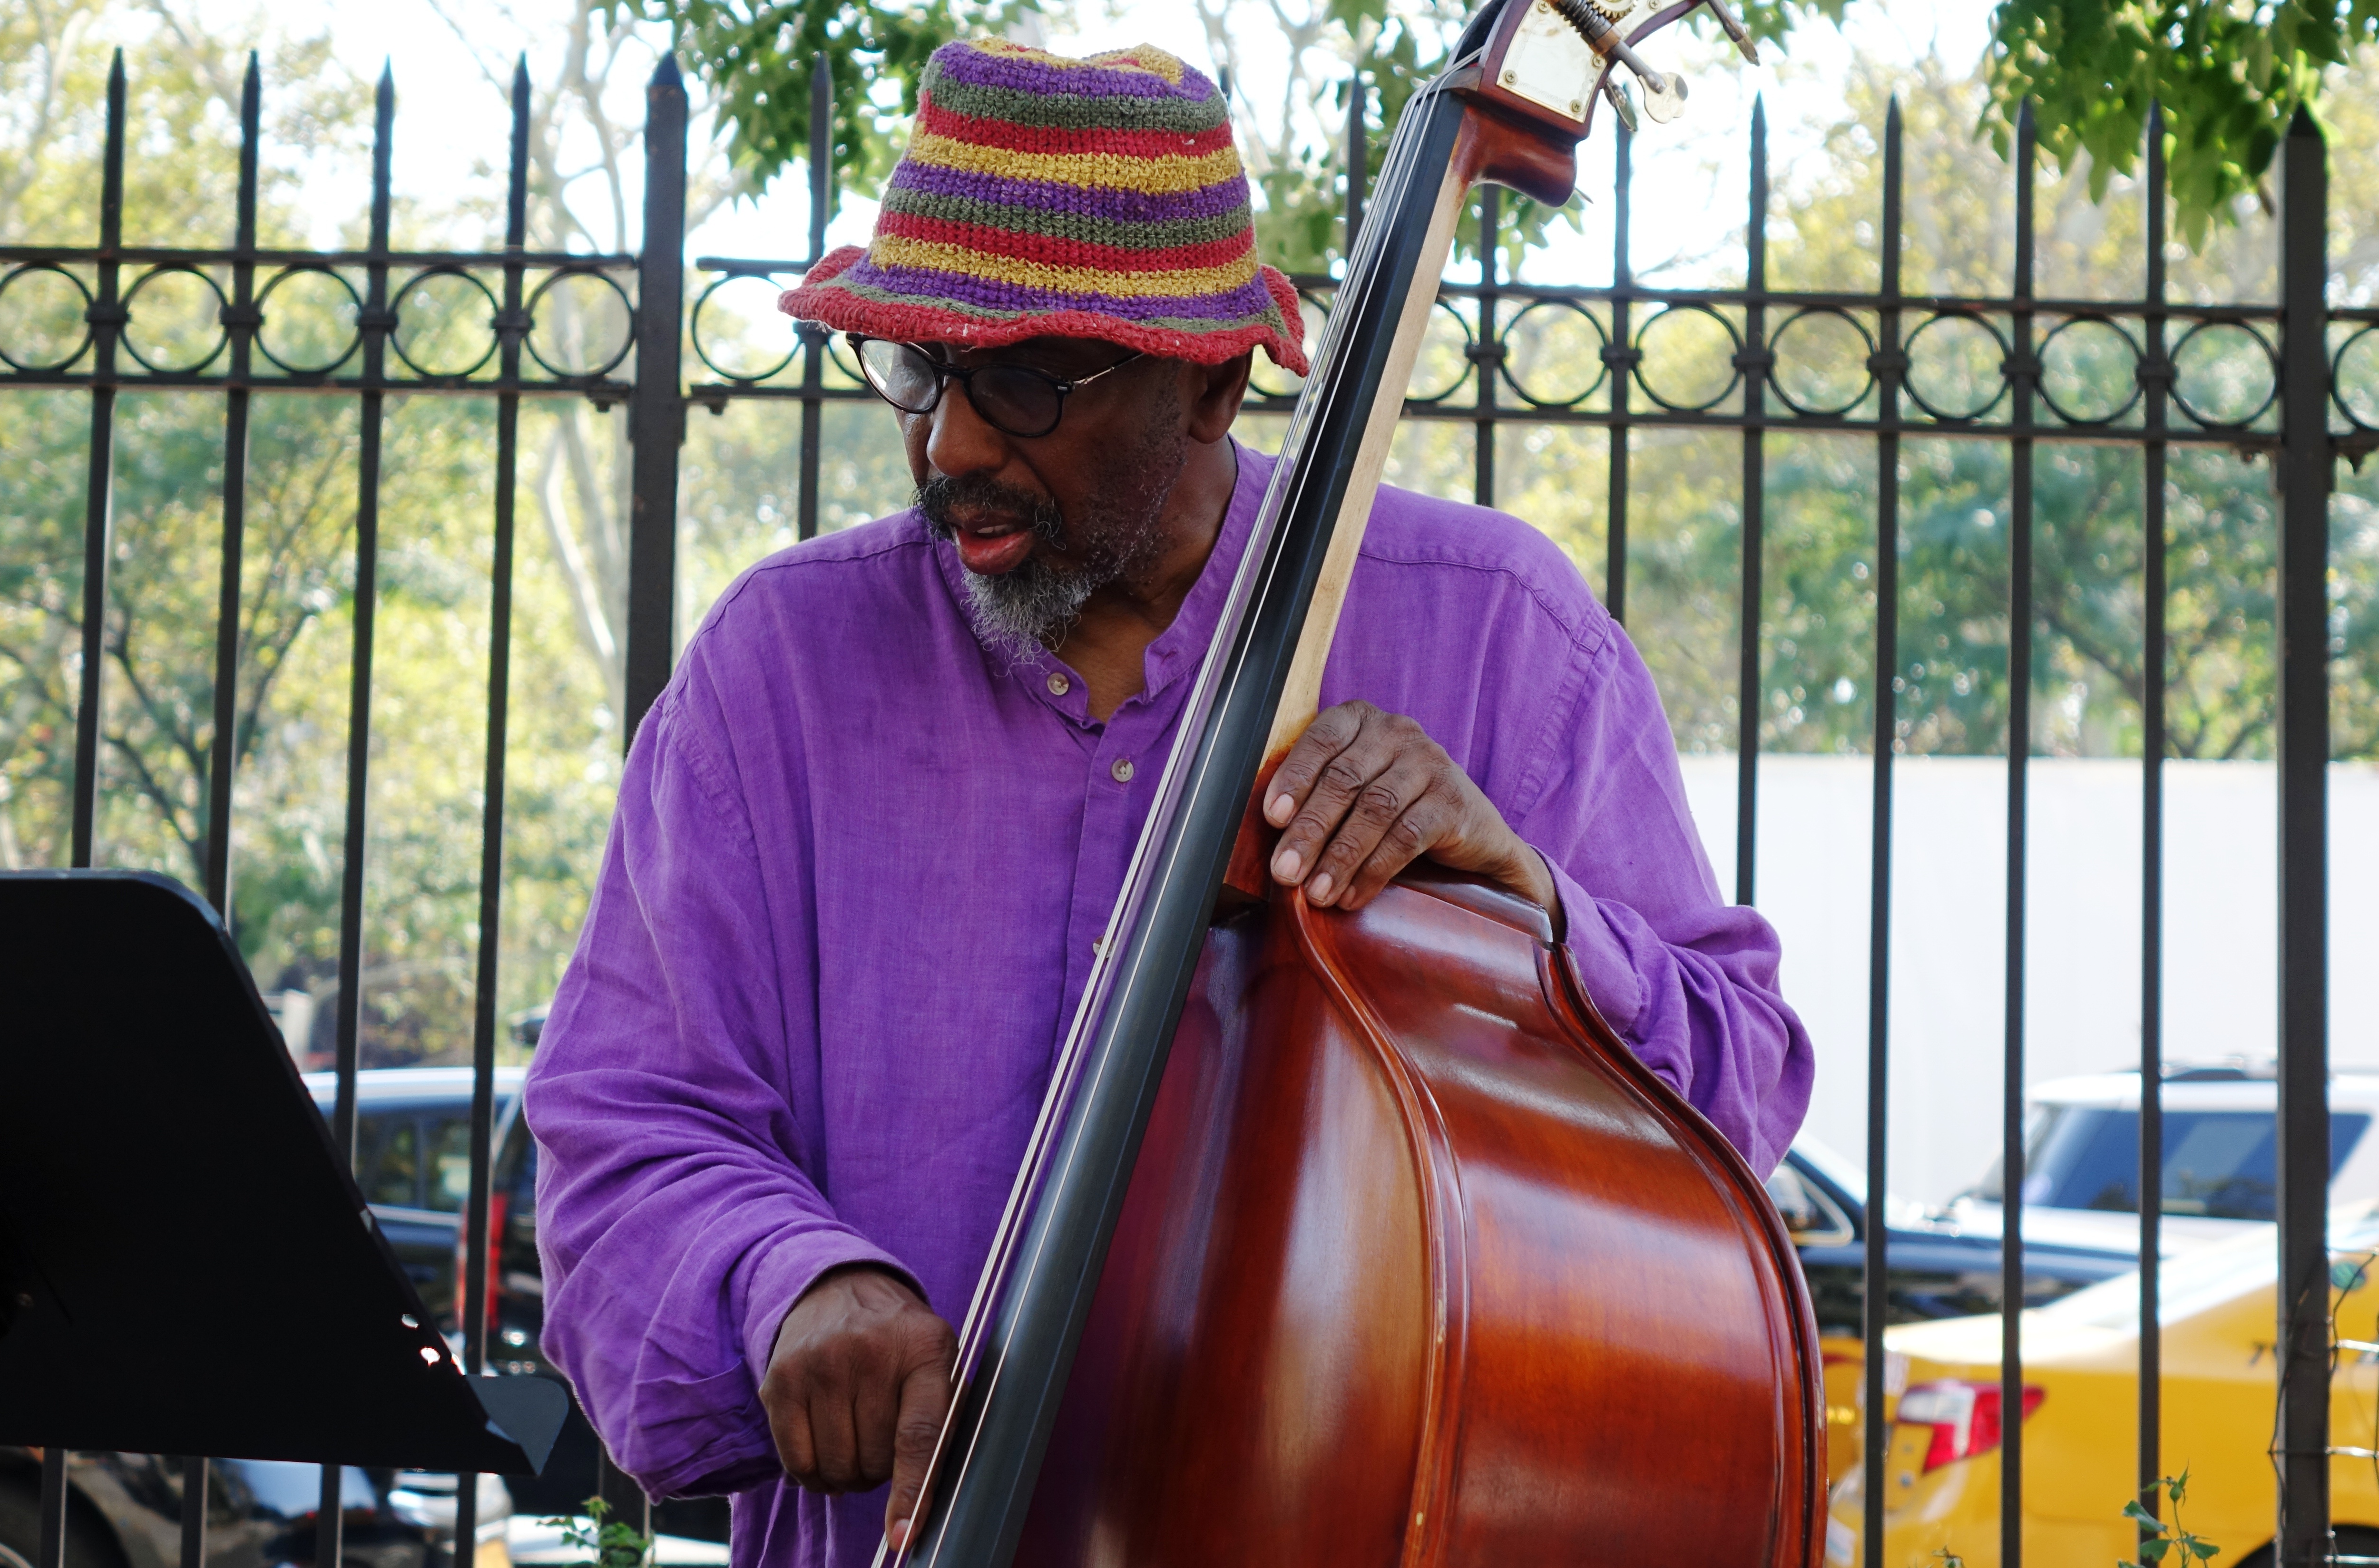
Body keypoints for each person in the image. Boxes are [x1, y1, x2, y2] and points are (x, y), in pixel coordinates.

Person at [527, 37, 1812, 1568]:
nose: (948, 445)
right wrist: (785, 1280)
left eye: (1020, 380)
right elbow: (618, 1139)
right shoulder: (777, 673)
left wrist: (1531, 910)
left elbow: (1738, 1082)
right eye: (914, 369)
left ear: (1209, 384)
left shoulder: (1498, 638)